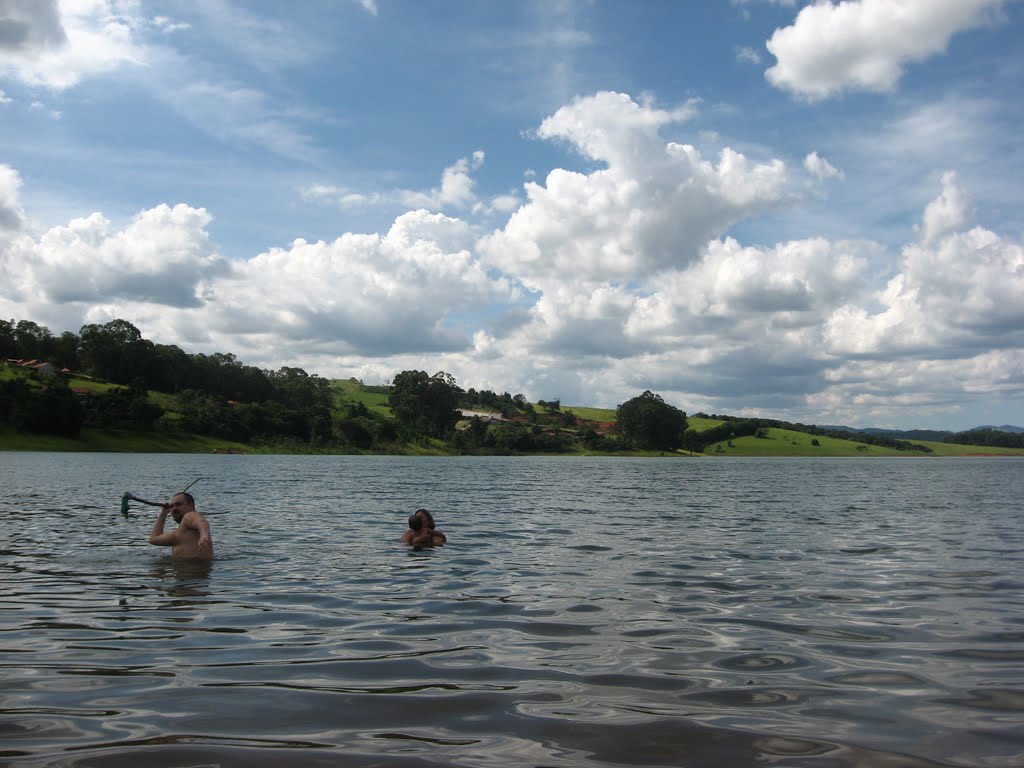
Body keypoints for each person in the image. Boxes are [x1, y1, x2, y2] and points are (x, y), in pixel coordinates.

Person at [149, 492, 214, 560]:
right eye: (172, 506)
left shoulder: (190, 515)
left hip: (198, 568)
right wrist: (163, 513)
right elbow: (154, 539)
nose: (174, 509)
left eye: (178, 504)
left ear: (190, 505)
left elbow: (202, 522)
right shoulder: (181, 532)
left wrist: (203, 536)